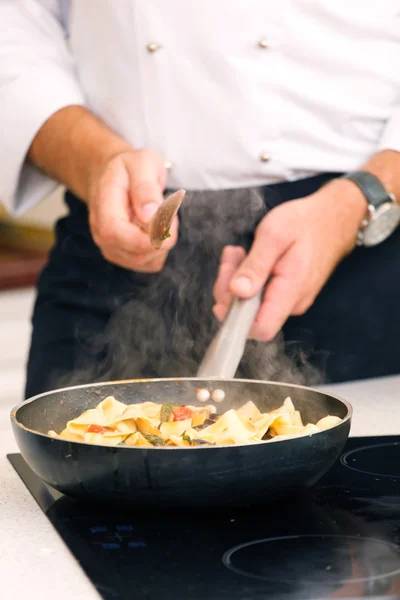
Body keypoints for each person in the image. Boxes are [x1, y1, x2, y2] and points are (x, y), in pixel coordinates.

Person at [1, 1, 400, 397]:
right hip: (114, 239)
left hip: (360, 244)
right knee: (77, 448)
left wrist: (362, 198)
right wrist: (92, 160)